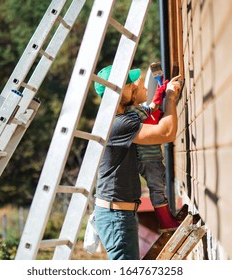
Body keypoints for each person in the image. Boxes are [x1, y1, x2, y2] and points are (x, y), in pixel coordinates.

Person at [93, 65, 181, 260]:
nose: (134, 85)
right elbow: (166, 133)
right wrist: (171, 98)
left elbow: (149, 112)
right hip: (116, 216)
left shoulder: (121, 118)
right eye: (128, 83)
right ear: (115, 92)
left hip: (119, 213)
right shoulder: (118, 123)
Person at [126, 77, 180, 233]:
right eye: (142, 88)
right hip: (148, 160)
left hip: (153, 159)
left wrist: (161, 90)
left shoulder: (139, 109)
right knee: (157, 189)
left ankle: (167, 218)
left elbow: (152, 108)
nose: (145, 90)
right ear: (133, 96)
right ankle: (165, 222)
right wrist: (161, 93)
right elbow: (152, 108)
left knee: (159, 186)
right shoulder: (133, 111)